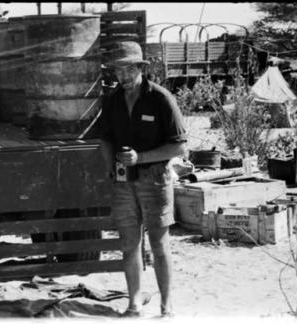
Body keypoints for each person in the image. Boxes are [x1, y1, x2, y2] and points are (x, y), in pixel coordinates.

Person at [99, 42, 187, 317]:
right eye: (117, 70)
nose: (121, 76)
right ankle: (134, 303)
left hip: (155, 180)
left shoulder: (160, 99)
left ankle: (166, 305)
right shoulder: (112, 100)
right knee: (129, 245)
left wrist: (141, 158)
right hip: (123, 183)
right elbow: (105, 138)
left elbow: (179, 148)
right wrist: (110, 167)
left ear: (140, 68)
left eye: (127, 69)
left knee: (160, 245)